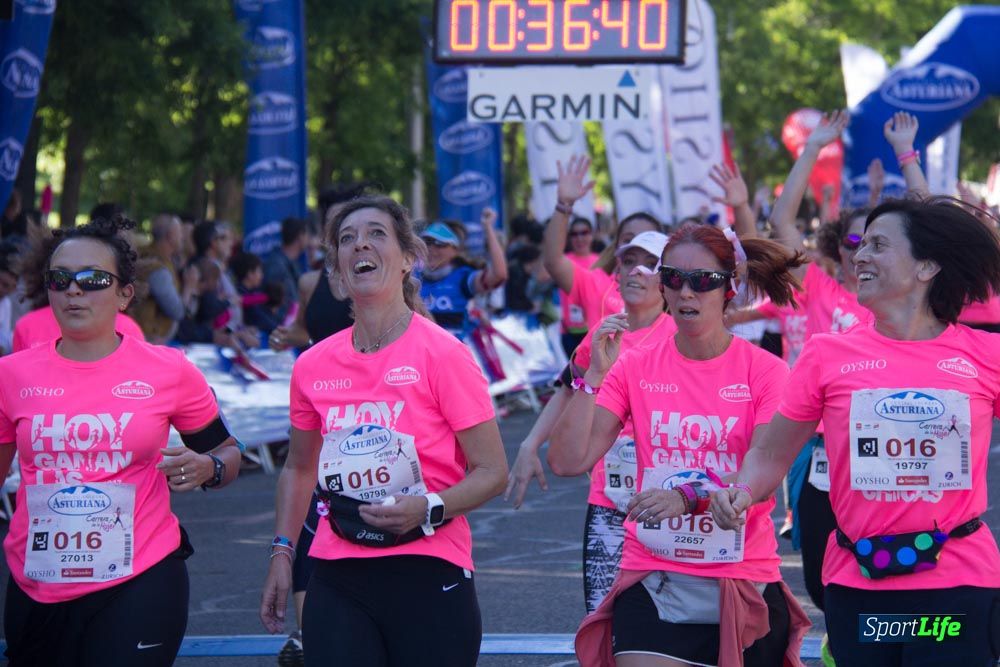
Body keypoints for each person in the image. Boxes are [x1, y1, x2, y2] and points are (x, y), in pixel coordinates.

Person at [713, 197, 1000, 666]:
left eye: (878, 245)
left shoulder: (984, 355)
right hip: (861, 581)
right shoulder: (828, 355)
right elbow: (771, 454)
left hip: (957, 583)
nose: (859, 256)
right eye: (860, 244)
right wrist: (741, 492)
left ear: (927, 266)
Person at [259, 195, 508, 666]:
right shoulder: (313, 365)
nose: (360, 245)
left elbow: (492, 471)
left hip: (429, 564)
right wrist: (282, 552)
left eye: (376, 234)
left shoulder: (443, 355)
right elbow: (298, 468)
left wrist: (428, 507)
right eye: (347, 239)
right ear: (337, 270)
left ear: (409, 259)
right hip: (337, 570)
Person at [550, 221, 810, 667]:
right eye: (673, 278)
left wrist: (688, 497)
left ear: (729, 289)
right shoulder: (633, 365)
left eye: (702, 281)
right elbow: (568, 460)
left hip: (740, 575)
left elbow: (764, 467)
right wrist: (592, 375)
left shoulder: (765, 371)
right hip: (654, 574)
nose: (686, 292)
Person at [0, 214, 241, 665]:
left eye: (93, 279)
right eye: (61, 278)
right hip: (37, 580)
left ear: (124, 294)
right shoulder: (11, 375)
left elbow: (227, 451)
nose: (74, 290)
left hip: (141, 576)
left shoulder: (168, 370)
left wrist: (210, 468)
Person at [507, 230, 674, 614]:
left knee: (665, 617)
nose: (635, 271)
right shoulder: (604, 334)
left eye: (649, 264)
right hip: (609, 500)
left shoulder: (681, 337)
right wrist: (530, 444)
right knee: (603, 617)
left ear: (668, 278)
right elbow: (568, 389)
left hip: (667, 504)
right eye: (629, 262)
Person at [542, 156, 663, 359]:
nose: (638, 248)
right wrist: (564, 205)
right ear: (617, 249)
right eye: (629, 240)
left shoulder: (674, 292)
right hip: (600, 387)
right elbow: (553, 261)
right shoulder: (597, 285)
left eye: (647, 243)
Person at [418, 207, 507, 338]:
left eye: (439, 243)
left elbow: (499, 275)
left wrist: (488, 227)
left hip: (451, 355)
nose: (431, 248)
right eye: (427, 242)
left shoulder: (463, 278)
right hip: (418, 355)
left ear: (456, 250)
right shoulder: (411, 278)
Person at [132, 214, 199, 344]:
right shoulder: (156, 269)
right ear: (170, 236)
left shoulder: (155, 258)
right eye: (180, 233)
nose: (183, 238)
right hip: (150, 342)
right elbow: (177, 311)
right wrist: (189, 287)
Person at [559, 216, 600, 353]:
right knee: (573, 374)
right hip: (569, 332)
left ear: (592, 235)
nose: (579, 238)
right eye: (574, 234)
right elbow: (541, 276)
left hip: (594, 331)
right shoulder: (563, 261)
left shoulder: (601, 262)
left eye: (584, 232)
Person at [263, 217, 309, 322]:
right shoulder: (275, 265)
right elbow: (279, 305)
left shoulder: (292, 263)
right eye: (306, 235)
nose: (308, 239)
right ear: (300, 236)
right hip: (281, 329)